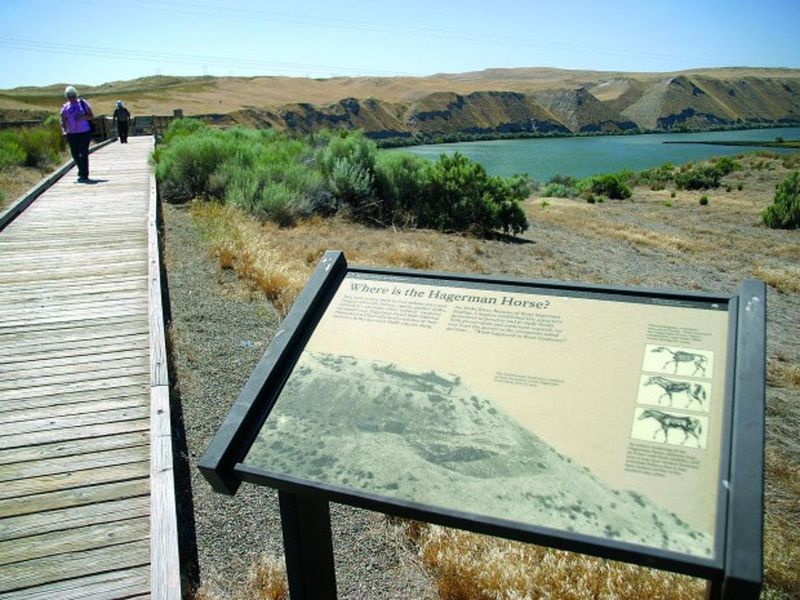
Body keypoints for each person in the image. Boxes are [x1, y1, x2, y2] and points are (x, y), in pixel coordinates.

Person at [59, 86, 93, 181]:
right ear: (66, 97)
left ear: (76, 95)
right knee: (75, 154)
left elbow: (91, 116)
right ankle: (81, 169)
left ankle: (84, 174)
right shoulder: (65, 107)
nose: (71, 97)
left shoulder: (83, 103)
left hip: (84, 132)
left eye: (73, 95)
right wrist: (64, 131)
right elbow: (62, 121)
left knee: (83, 152)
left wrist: (82, 117)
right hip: (71, 133)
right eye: (69, 96)